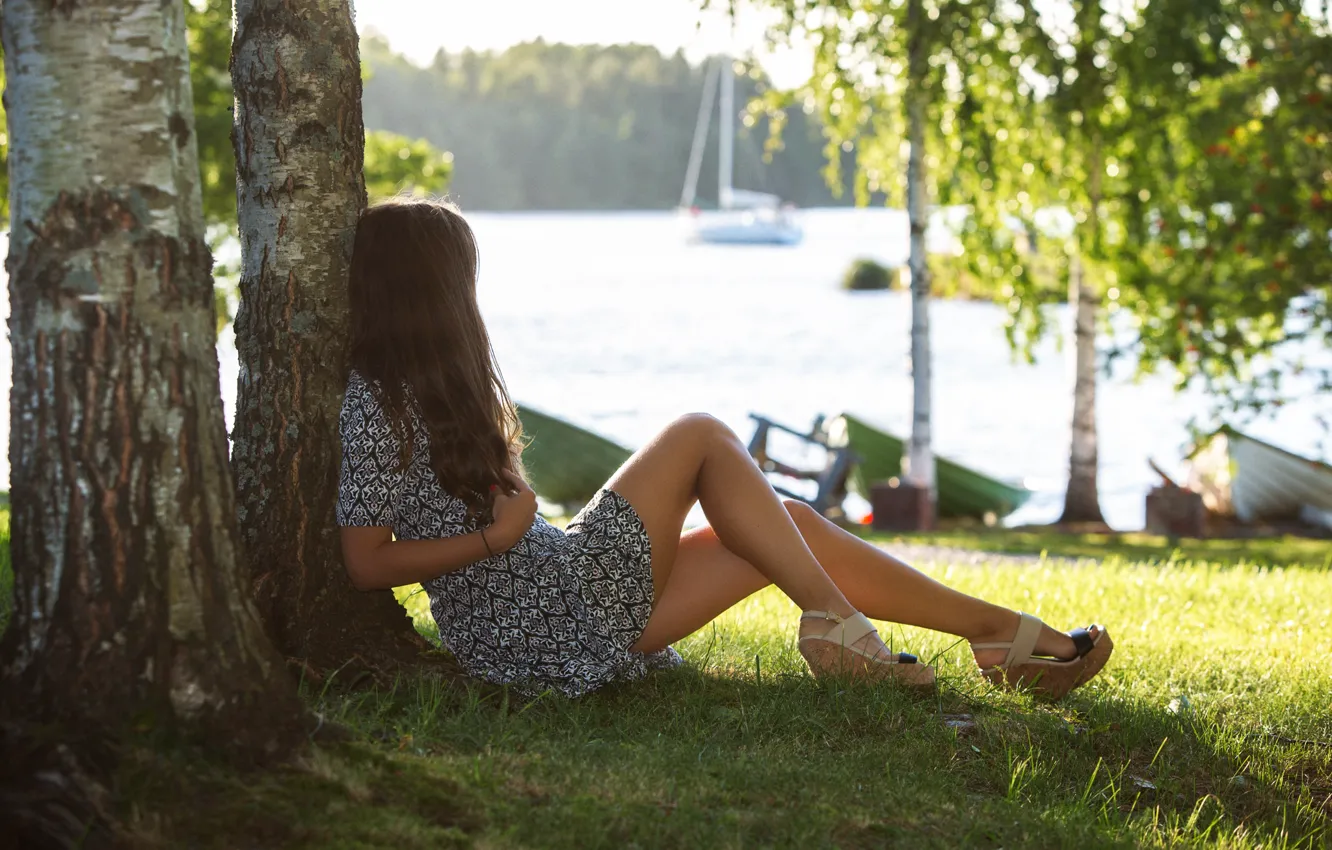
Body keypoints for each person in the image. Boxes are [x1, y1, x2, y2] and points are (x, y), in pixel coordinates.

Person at [336, 198, 1113, 700]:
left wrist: (508, 532)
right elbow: (364, 562)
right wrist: (492, 537)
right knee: (701, 434)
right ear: (434, 291)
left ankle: (997, 635)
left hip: (566, 605)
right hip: (545, 622)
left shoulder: (439, 389)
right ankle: (838, 629)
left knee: (789, 524)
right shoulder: (372, 402)